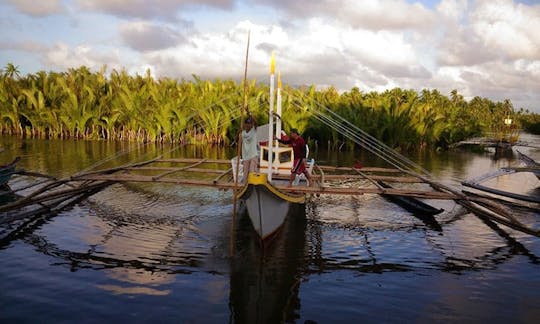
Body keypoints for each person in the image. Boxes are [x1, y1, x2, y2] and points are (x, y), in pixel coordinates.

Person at [238, 117, 258, 182]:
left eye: (250, 123)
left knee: (252, 172)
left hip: (253, 155)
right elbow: (239, 143)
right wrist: (240, 154)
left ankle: (252, 186)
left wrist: (250, 114)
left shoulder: (253, 130)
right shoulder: (242, 133)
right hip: (245, 156)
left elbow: (256, 123)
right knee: (245, 174)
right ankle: (245, 186)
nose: (248, 125)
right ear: (245, 124)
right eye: (247, 123)